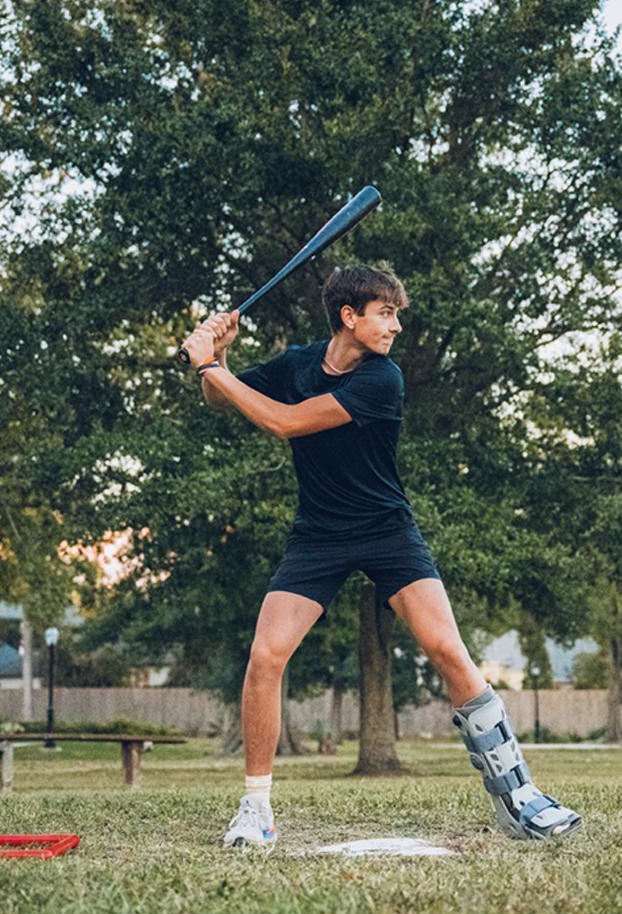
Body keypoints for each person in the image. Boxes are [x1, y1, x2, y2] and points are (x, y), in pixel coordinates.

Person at [180, 263, 581, 848]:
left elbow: (286, 423)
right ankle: (255, 809)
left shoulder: (382, 379)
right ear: (350, 316)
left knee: (447, 647)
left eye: (396, 314)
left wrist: (212, 364)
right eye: (386, 313)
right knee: (266, 656)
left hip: (386, 529)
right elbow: (221, 401)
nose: (396, 326)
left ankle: (520, 798)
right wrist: (218, 357)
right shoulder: (297, 363)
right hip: (318, 534)